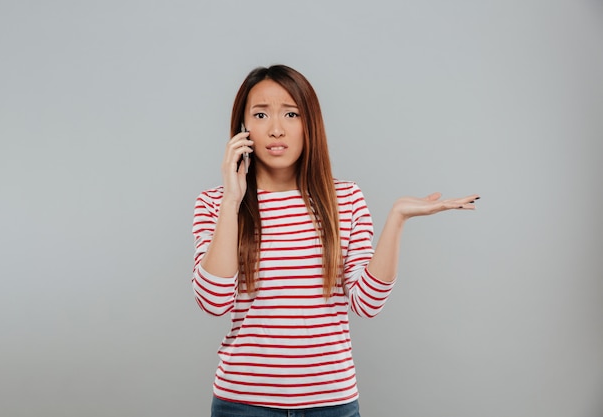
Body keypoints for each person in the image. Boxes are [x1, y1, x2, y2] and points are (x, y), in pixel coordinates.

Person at [192, 64, 479, 417]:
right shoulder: (214, 203)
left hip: (331, 404)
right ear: (242, 128)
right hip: (243, 404)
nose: (276, 128)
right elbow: (212, 301)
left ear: (310, 124)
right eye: (261, 114)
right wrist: (232, 200)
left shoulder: (345, 200)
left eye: (291, 113)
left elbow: (367, 303)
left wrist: (397, 220)